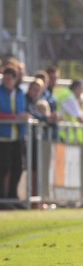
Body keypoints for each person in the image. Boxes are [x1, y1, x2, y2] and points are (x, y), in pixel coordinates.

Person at [0, 65, 28, 207]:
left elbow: (23, 110)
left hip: (18, 136)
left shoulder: (20, 93)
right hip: (3, 136)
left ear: (15, 79)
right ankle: (2, 197)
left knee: (18, 166)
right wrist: (14, 117)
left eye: (9, 78)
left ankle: (13, 195)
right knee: (4, 167)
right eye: (5, 78)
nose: (6, 81)